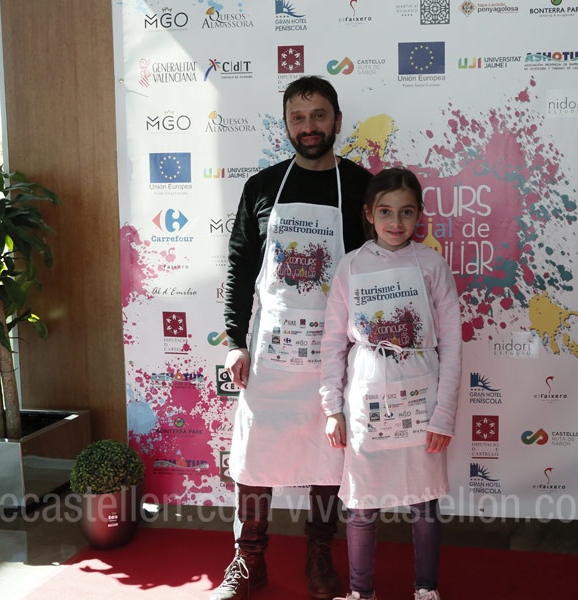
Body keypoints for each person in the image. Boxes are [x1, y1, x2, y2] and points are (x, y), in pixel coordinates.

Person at [212, 75, 372, 600]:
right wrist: (235, 340)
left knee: (330, 454)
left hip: (334, 352)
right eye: (298, 118)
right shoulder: (262, 188)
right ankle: (249, 558)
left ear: (337, 121)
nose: (309, 127)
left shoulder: (362, 188)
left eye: (319, 116)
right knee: (254, 456)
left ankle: (319, 552)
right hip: (271, 354)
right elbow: (240, 266)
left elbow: (376, 269)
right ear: (285, 124)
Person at [320, 167, 462, 600]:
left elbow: (452, 343)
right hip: (367, 402)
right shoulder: (351, 266)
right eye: (385, 211)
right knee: (362, 505)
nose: (396, 222)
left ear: (419, 214)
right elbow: (333, 341)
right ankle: (361, 592)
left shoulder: (432, 265)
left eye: (406, 212)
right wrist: (331, 408)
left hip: (422, 401)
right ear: (369, 213)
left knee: (424, 502)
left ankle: (426, 589)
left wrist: (444, 414)